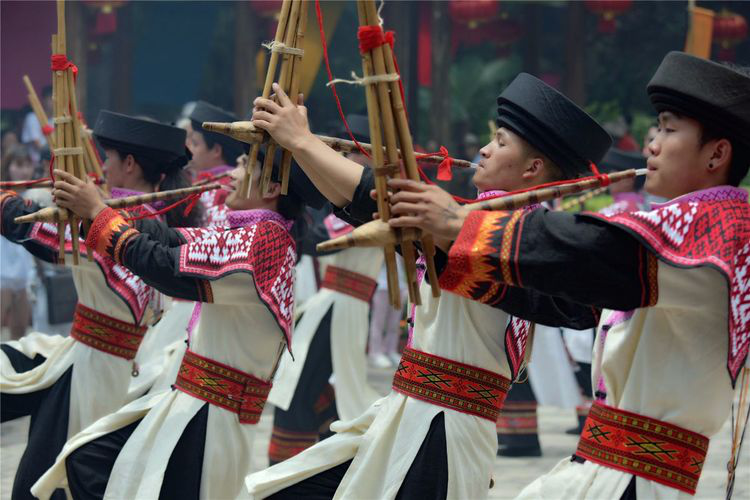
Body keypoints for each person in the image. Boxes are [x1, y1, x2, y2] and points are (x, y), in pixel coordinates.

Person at [381, 52, 750, 499]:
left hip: (633, 485)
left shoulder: (720, 232)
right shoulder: (693, 227)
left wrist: (460, 224)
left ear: (717, 153)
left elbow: (591, 250)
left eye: (669, 129)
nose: (651, 143)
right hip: (604, 476)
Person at [243, 72, 610, 498]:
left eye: (501, 143)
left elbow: (374, 201)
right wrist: (296, 142)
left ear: (533, 168)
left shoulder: (498, 237)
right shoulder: (490, 229)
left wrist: (303, 141)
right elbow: (365, 204)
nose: (484, 150)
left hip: (441, 433)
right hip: (415, 418)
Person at [32, 151, 326, 500]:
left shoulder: (264, 242)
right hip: (194, 406)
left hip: (212, 420)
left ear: (274, 186)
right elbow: (171, 238)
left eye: (245, 165)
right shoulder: (256, 233)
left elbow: (168, 269)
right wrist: (101, 211)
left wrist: (99, 214)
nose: (233, 172)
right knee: (88, 458)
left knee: (93, 461)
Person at [0, 111, 198, 500]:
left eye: (109, 157)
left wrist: (6, 205)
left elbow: (40, 231)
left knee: (54, 476)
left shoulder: (113, 220)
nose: (102, 165)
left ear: (129, 164)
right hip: (110, 365)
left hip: (93, 372)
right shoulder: (151, 218)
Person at [267, 115, 385, 465]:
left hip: (342, 308)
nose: (345, 162)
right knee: (309, 389)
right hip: (331, 305)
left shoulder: (380, 197)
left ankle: (298, 471)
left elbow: (325, 241)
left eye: (351, 153)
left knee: (302, 390)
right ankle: (321, 464)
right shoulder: (351, 196)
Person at [186, 101, 246, 228]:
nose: (188, 148)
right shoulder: (193, 180)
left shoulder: (228, 189)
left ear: (216, 151)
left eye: (195, 144)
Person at [0, 145, 36, 340]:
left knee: (20, 330)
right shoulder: (2, 194)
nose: (23, 170)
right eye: (18, 165)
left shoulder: (36, 197)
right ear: (9, 167)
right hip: (2, 268)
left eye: (27, 165)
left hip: (25, 270)